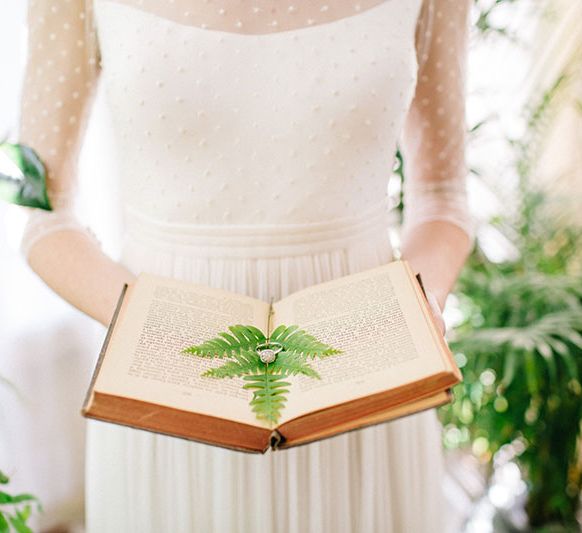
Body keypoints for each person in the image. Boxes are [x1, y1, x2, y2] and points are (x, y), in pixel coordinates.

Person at [17, 0, 475, 531]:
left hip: (360, 381)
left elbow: (443, 196)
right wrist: (161, 328)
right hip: (168, 382)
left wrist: (415, 309)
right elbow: (41, 214)